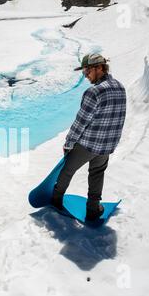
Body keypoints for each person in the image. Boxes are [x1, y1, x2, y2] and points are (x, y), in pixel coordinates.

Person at [50, 53, 127, 221]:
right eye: (84, 72)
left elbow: (80, 122)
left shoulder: (94, 92)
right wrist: (111, 142)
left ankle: (55, 200)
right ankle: (93, 209)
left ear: (99, 68)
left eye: (87, 71)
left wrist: (69, 143)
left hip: (88, 144)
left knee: (67, 170)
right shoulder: (120, 87)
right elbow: (120, 117)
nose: (85, 75)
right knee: (97, 173)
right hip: (107, 145)